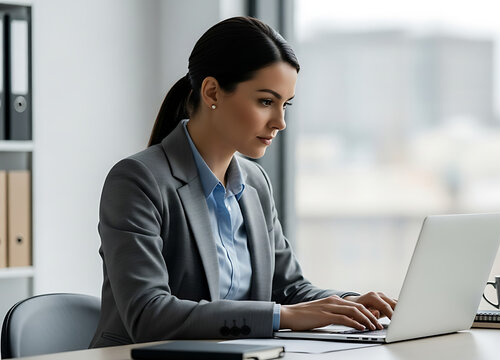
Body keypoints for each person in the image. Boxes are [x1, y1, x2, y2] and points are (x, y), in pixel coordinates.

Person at [90, 16, 396, 348]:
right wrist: (283, 316)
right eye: (266, 102)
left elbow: (289, 288)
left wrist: (350, 304)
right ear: (212, 92)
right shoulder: (138, 181)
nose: (280, 122)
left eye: (285, 104)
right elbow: (148, 315)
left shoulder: (254, 182)